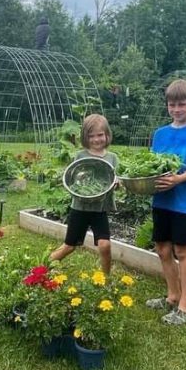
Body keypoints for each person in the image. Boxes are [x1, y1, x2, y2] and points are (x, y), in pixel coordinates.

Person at [146, 79, 186, 325]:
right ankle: (172, 296)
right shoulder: (160, 133)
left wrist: (177, 179)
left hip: (183, 202)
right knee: (162, 249)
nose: (176, 109)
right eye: (172, 105)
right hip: (161, 200)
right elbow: (153, 167)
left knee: (182, 251)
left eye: (181, 104)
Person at [50, 114, 116, 274]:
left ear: (107, 135)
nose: (96, 139)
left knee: (105, 245)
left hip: (99, 209)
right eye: (91, 136)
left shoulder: (112, 158)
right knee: (69, 246)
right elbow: (73, 179)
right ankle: (44, 266)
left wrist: (117, 183)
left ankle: (106, 278)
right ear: (85, 137)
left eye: (100, 135)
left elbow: (112, 180)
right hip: (80, 208)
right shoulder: (81, 156)